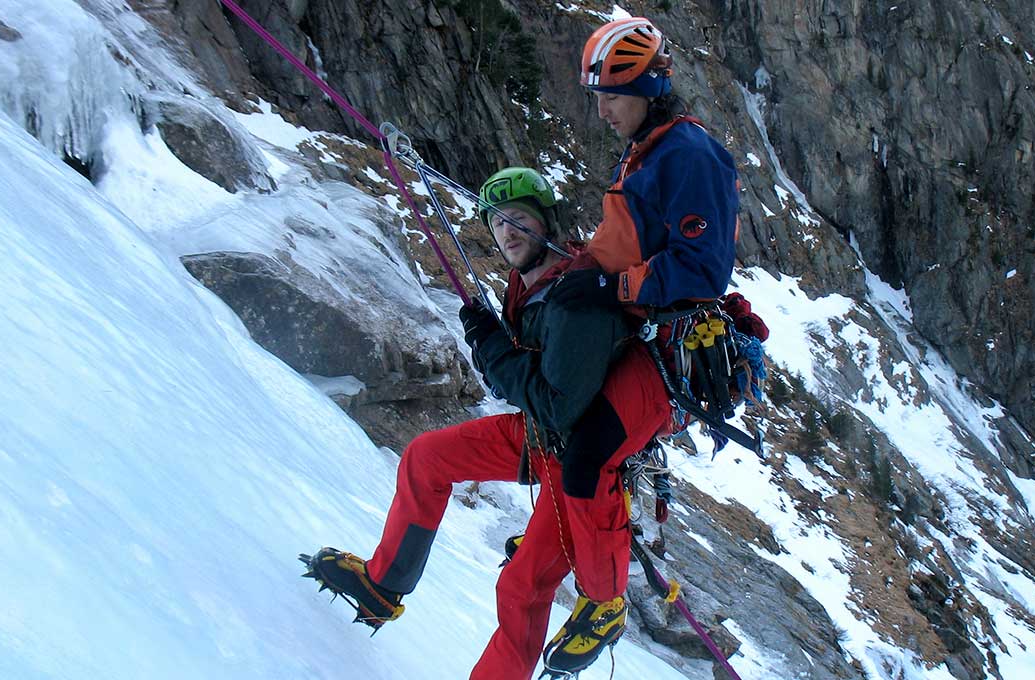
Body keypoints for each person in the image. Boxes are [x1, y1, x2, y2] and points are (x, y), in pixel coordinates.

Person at [302, 167, 672, 679]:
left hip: (574, 457)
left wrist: (493, 349)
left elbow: (558, 403)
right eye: (499, 225)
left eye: (519, 219)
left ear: (548, 223)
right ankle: (383, 584)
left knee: (522, 587)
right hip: (540, 439)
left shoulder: (577, 294)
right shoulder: (526, 287)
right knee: (426, 458)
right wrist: (495, 346)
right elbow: (525, 380)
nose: (509, 232)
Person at [553, 16, 741, 311]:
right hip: (624, 308)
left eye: (612, 97)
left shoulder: (690, 158)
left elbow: (704, 270)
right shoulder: (646, 147)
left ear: (647, 92)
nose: (602, 112)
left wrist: (614, 287)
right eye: (598, 98)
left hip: (651, 324)